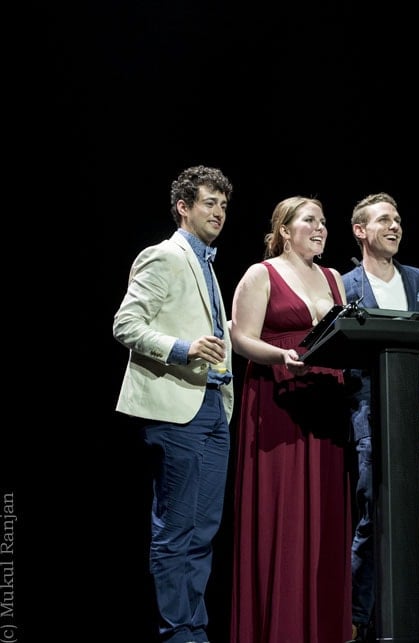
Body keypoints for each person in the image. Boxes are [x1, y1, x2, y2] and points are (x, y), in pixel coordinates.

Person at [113, 165, 235, 643]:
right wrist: (183, 348)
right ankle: (177, 634)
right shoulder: (163, 256)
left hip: (212, 406)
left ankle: (194, 629)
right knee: (176, 530)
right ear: (183, 207)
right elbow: (125, 325)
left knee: (203, 531)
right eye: (209, 203)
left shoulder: (207, 264)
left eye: (224, 205)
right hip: (176, 409)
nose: (219, 212)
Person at [229, 196, 353, 643]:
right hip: (279, 396)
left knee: (325, 515)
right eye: (309, 220)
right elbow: (241, 338)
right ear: (284, 229)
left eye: (323, 221)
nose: (320, 228)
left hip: (327, 402)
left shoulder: (335, 277)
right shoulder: (260, 274)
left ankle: (324, 628)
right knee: (284, 513)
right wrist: (281, 353)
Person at [342, 192, 419, 642]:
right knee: (375, 521)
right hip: (374, 413)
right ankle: (356, 618)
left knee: (415, 525)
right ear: (360, 230)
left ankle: (402, 621)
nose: (395, 226)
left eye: (399, 219)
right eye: (384, 219)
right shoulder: (344, 284)